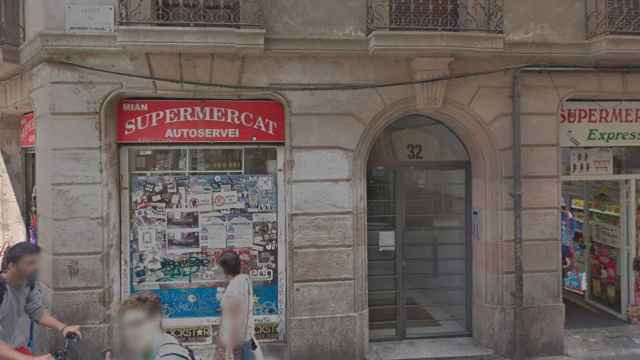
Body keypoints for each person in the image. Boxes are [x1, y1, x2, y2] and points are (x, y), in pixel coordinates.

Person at [0, 242, 82, 360]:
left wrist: (63, 328)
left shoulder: (29, 284)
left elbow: (36, 310)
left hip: (14, 348)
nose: (36, 267)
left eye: (37, 262)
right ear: (11, 266)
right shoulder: (2, 289)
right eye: (29, 263)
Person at [108, 292, 196, 360]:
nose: (129, 332)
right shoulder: (148, 351)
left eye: (136, 324)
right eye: (125, 326)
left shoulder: (171, 355)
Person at [215, 252, 257, 360]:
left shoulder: (233, 290)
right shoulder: (244, 281)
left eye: (219, 267)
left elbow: (234, 323)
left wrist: (229, 351)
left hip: (236, 346)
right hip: (245, 340)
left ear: (225, 269)